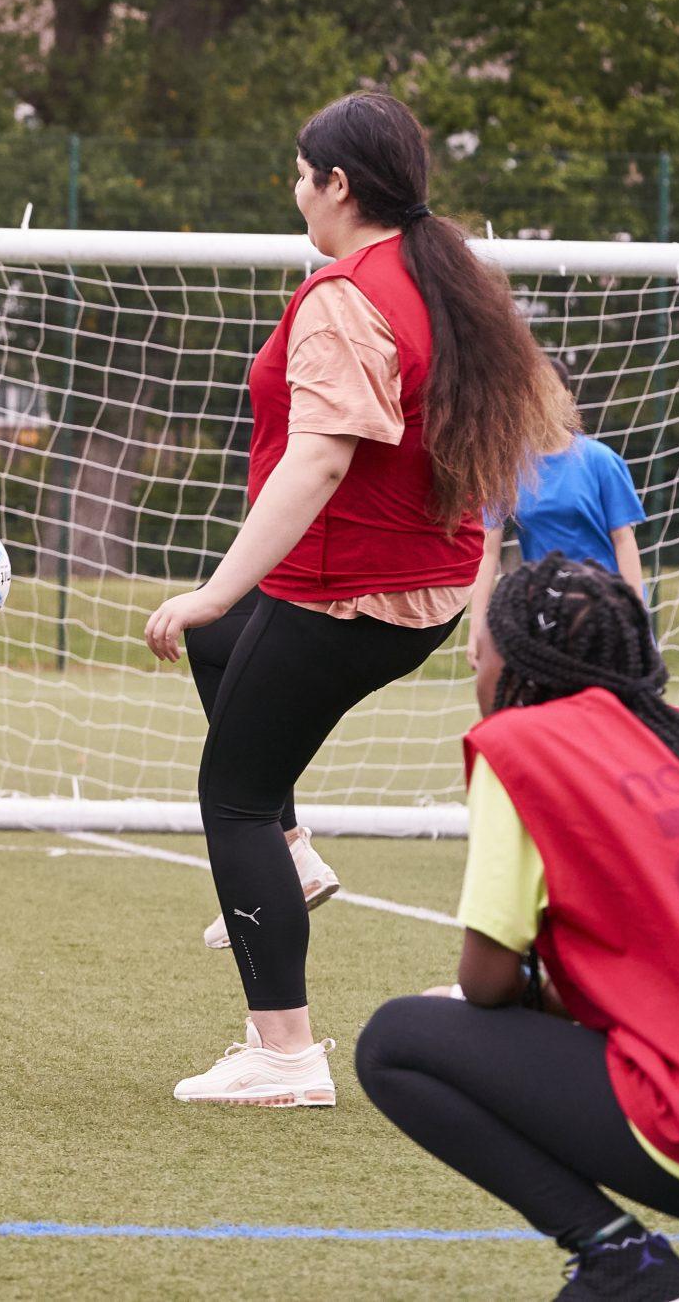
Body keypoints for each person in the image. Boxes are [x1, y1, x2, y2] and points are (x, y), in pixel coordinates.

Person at [143, 89, 572, 1108]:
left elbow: (318, 465)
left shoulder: (347, 296)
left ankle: (282, 1053)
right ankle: (292, 857)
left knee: (232, 794)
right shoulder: (443, 275)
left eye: (302, 173)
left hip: (348, 595)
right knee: (226, 656)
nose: (296, 192)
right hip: (418, 587)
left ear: (339, 185)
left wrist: (212, 590)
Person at [360, 555, 679, 1302]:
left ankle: (622, 1262)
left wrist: (521, 1001)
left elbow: (485, 981)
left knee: (398, 1042)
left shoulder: (522, 744)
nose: (475, 670)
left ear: (517, 661)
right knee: (676, 1017)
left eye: (479, 653)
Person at [468, 354, 648, 714]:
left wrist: (635, 613)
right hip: (545, 616)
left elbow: (624, 541)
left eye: (546, 389)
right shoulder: (509, 468)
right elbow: (488, 551)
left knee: (615, 715)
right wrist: (477, 625)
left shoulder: (599, 461)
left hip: (602, 612)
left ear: (566, 398)